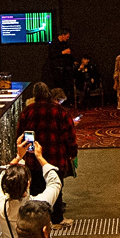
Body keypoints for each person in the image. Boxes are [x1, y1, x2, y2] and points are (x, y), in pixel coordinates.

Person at [22, 82, 78, 222]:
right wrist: (72, 152)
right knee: (55, 187)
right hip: (56, 157)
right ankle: (57, 219)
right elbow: (70, 135)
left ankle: (38, 220)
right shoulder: (60, 111)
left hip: (33, 159)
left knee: (36, 189)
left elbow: (22, 135)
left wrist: (24, 154)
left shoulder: (28, 111)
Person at [0, 139, 62, 238]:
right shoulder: (39, 204)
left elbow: (2, 175)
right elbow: (55, 183)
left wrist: (18, 156)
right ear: (28, 184)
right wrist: (40, 157)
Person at [49, 28, 76, 93]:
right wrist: (63, 52)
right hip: (57, 70)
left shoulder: (65, 44)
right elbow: (52, 55)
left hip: (65, 69)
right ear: (63, 35)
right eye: (67, 36)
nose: (68, 38)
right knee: (58, 86)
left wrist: (73, 61)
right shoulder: (54, 43)